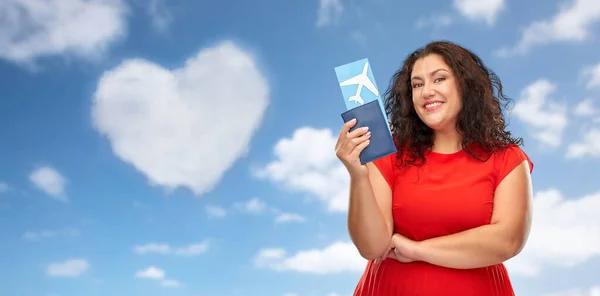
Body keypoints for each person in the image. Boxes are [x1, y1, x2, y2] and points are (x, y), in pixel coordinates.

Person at [334, 40, 534, 296]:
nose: (426, 91)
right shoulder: (391, 154)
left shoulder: (507, 159)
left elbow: (508, 240)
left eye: (438, 79)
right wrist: (358, 176)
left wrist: (415, 250)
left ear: (466, 85)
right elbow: (373, 248)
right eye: (417, 84)